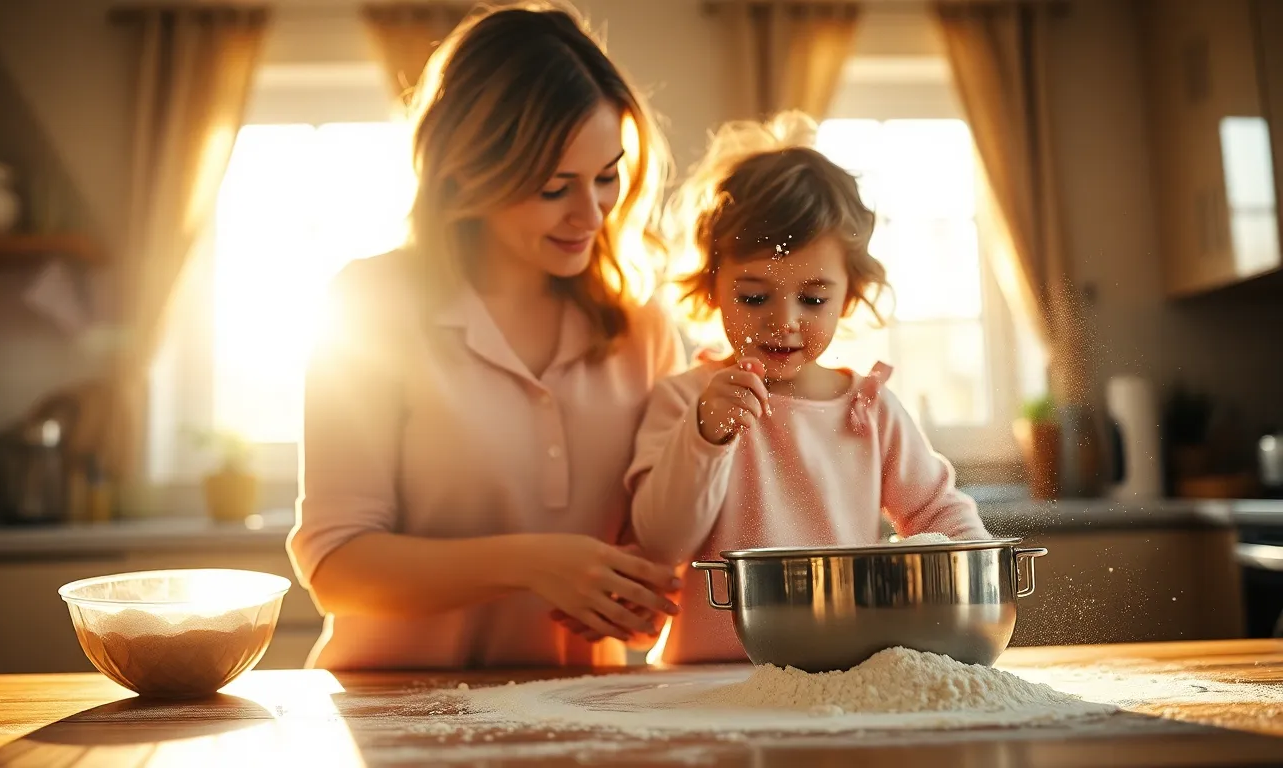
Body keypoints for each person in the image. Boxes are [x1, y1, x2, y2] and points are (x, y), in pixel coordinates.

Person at [287, 1, 685, 670]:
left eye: (607, 177)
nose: (591, 214)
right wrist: (532, 563)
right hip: (395, 713)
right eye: (557, 186)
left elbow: (658, 562)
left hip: (590, 719)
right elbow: (336, 567)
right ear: (468, 169)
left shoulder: (641, 329)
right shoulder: (370, 304)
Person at [625, 111, 991, 665]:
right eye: (754, 297)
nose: (784, 321)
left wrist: (978, 595)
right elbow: (660, 542)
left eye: (813, 299)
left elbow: (939, 518)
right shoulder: (684, 402)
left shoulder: (869, 410)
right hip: (702, 681)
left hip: (842, 677)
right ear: (711, 289)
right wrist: (704, 437)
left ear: (849, 295)